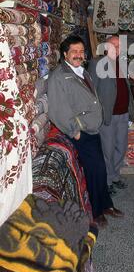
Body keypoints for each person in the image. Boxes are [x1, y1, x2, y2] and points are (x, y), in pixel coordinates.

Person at [48, 35, 124, 228]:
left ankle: (106, 205)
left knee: (100, 169)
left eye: (81, 51)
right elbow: (58, 109)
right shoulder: (59, 76)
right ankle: (96, 212)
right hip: (81, 132)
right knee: (93, 171)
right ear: (65, 54)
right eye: (74, 51)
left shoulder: (82, 72)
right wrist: (76, 132)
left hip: (92, 129)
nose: (78, 55)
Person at [88, 35, 134, 196]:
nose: (117, 48)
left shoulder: (122, 63)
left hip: (123, 113)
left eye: (120, 46)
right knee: (107, 150)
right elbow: (91, 91)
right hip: (107, 115)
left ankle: (115, 176)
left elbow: (126, 88)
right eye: (114, 45)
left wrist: (131, 111)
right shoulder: (96, 63)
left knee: (120, 148)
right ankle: (106, 181)